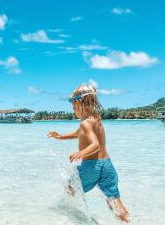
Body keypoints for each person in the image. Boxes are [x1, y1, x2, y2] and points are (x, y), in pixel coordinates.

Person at [47, 84, 129, 223]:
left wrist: (81, 153)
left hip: (92, 166)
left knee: (70, 189)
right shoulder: (97, 118)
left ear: (80, 103)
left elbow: (95, 145)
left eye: (74, 107)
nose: (74, 111)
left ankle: (70, 216)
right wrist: (60, 137)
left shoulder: (85, 123)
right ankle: (126, 221)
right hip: (107, 165)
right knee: (113, 199)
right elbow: (80, 134)